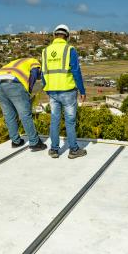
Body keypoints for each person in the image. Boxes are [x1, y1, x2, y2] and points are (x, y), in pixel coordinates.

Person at [42, 24, 87, 159]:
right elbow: (75, 71)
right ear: (67, 36)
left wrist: (47, 87)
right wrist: (82, 90)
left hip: (52, 91)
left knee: (54, 120)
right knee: (70, 121)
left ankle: (54, 150)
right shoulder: (69, 49)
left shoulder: (45, 51)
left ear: (54, 35)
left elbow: (43, 72)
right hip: (67, 90)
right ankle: (73, 150)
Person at [0, 57, 47, 150]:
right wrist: (29, 90)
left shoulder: (17, 62)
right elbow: (35, 74)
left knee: (9, 114)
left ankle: (16, 141)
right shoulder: (35, 62)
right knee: (25, 114)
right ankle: (35, 142)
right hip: (13, 83)